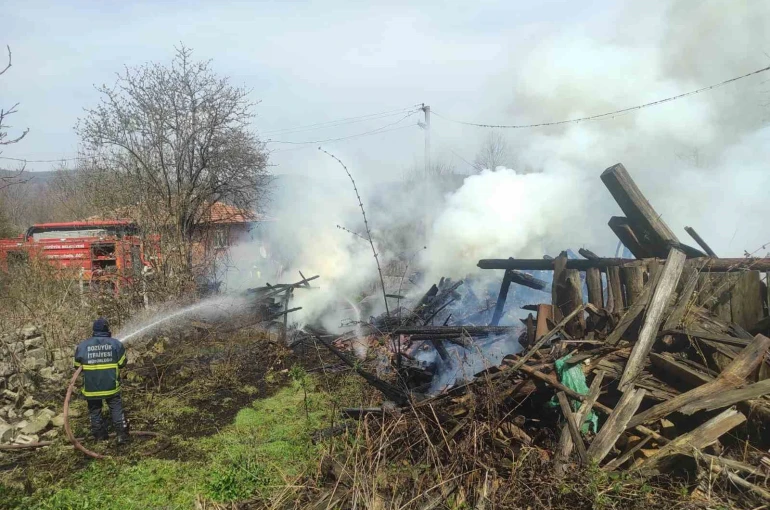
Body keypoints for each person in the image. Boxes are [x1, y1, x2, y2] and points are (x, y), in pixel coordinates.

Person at [73, 318, 130, 444]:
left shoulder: (83, 346)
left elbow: (77, 365)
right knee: (116, 409)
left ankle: (99, 437)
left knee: (95, 411)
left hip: (91, 388)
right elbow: (122, 363)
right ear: (107, 329)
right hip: (111, 387)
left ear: (93, 330)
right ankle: (121, 436)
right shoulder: (115, 344)